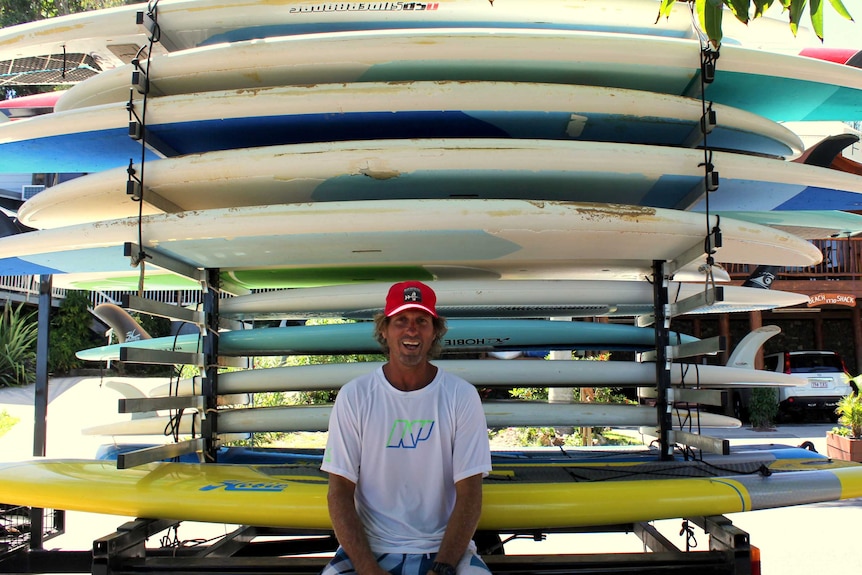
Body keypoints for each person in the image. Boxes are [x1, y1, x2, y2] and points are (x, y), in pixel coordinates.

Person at [320, 280, 493, 575]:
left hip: (444, 551)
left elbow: (470, 493)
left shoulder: (460, 395)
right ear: (384, 329)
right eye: (401, 320)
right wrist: (368, 570)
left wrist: (442, 568)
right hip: (369, 550)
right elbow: (339, 491)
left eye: (421, 321)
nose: (411, 330)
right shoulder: (355, 396)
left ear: (434, 331)